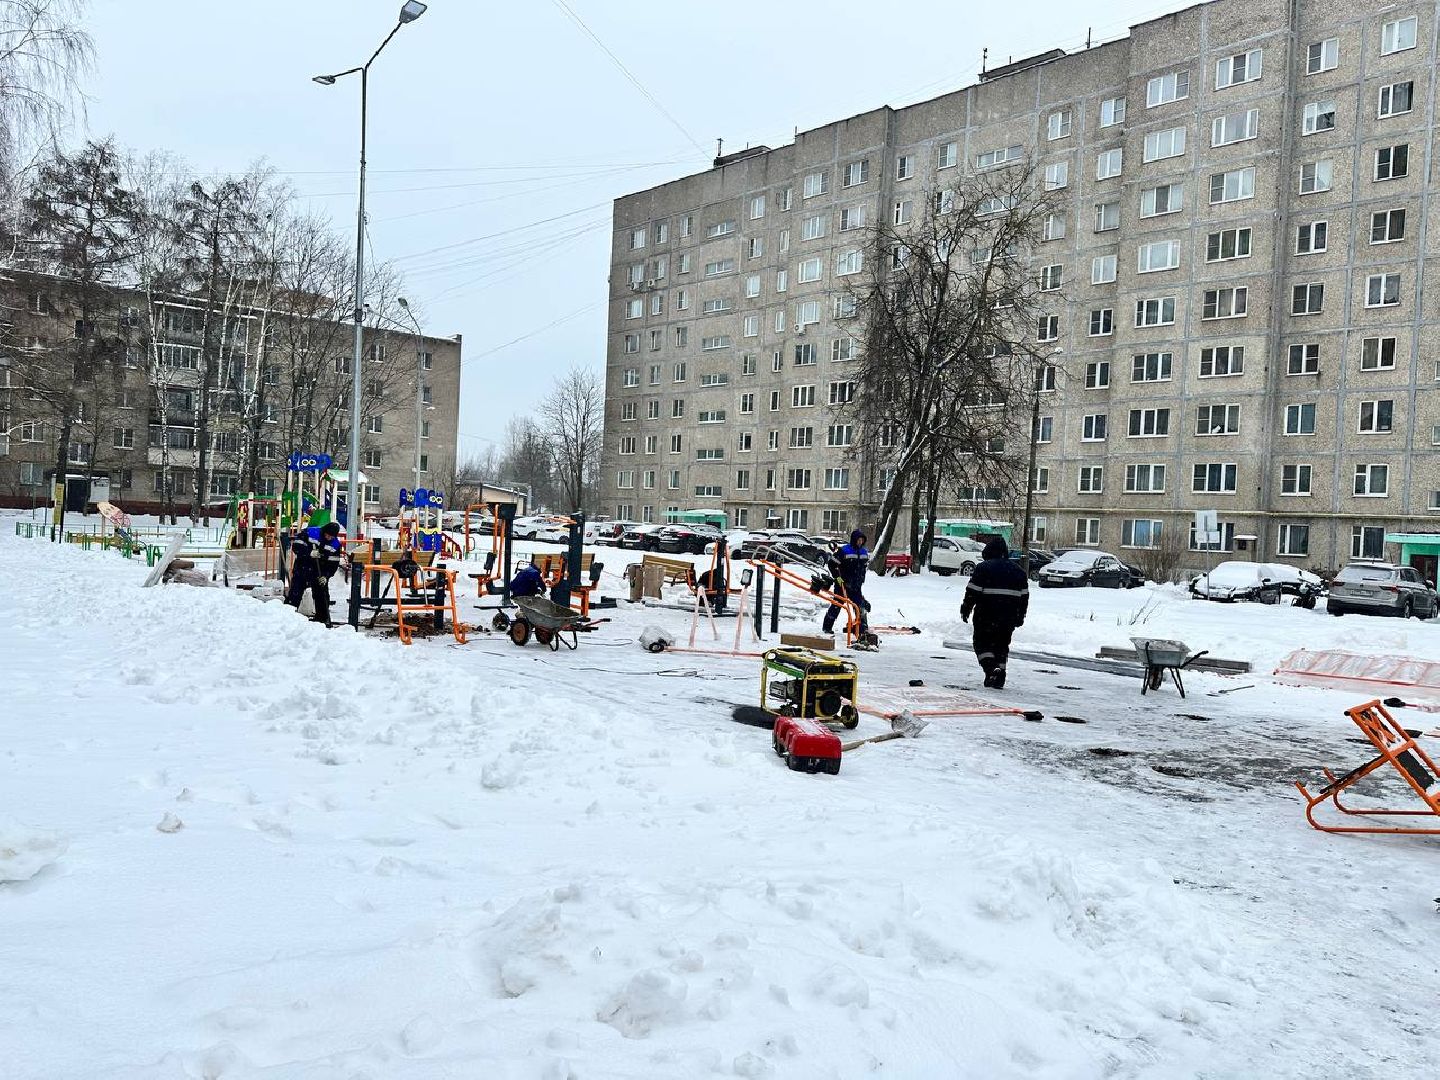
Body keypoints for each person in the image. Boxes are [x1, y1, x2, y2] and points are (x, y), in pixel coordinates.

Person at [960, 537, 1029, 689]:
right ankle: (1000, 674)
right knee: (1001, 646)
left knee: (982, 643)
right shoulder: (1019, 571)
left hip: (986, 615)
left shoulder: (983, 568)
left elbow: (972, 591)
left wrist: (966, 608)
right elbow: (1024, 597)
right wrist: (1020, 615)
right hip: (1008, 617)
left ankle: (991, 669)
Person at [285, 521, 344, 625]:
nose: (329, 538)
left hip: (319, 572)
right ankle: (287, 616)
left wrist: (326, 576)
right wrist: (308, 553)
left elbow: (333, 563)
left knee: (322, 594)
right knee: (296, 592)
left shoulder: (335, 545)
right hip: (303, 567)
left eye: (332, 537)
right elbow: (296, 546)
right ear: (324, 531)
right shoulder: (310, 533)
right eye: (328, 535)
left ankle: (322, 619)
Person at [822, 529, 872, 639]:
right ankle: (827, 627)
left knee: (859, 606)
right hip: (842, 584)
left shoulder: (864, 552)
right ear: (854, 540)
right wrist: (838, 578)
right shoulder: (844, 551)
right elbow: (832, 564)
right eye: (858, 540)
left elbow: (863, 568)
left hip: (856, 585)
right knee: (837, 605)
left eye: (862, 540)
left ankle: (863, 629)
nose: (860, 542)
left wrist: (861, 579)